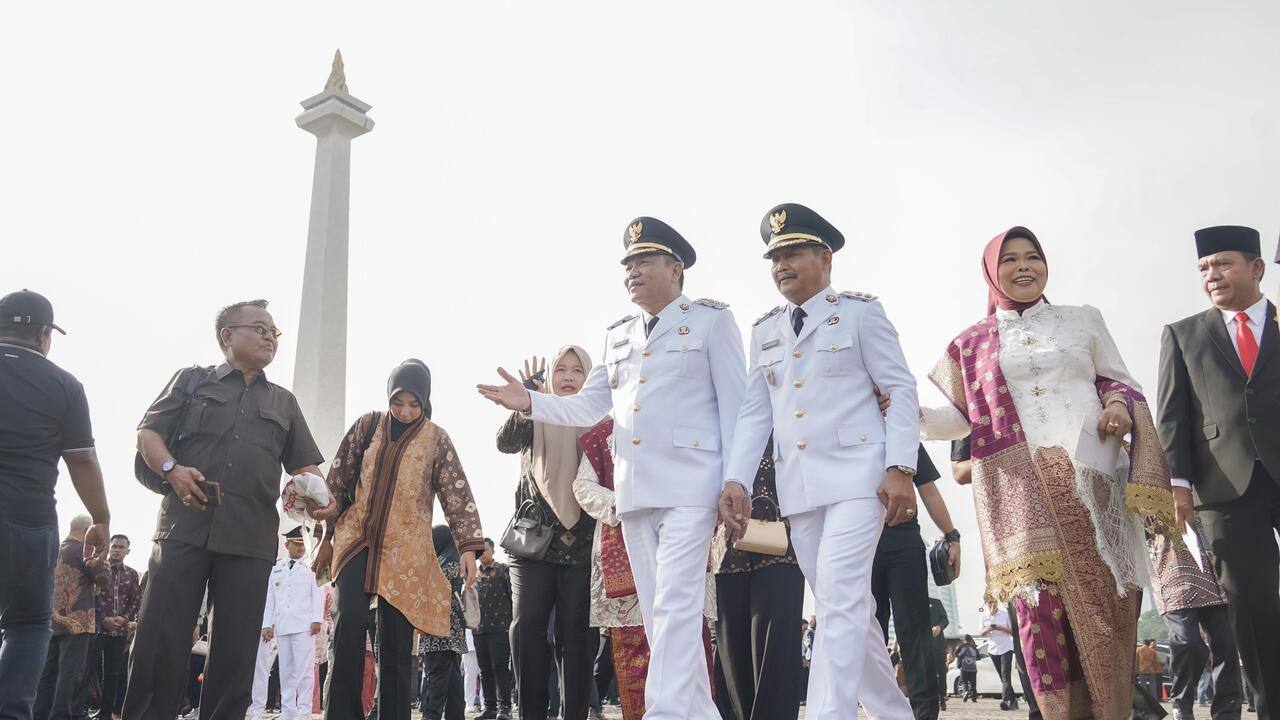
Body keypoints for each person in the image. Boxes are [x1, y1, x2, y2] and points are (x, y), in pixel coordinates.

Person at [479, 216, 747, 720]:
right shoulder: (617, 335)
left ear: (676, 269)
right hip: (635, 495)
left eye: (644, 261)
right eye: (627, 263)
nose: (632, 271)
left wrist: (736, 479)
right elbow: (587, 407)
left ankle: (663, 712)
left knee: (672, 605)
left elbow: (738, 407)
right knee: (659, 612)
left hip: (692, 489)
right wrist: (531, 401)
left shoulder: (712, 322)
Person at [920, 227, 1176, 720]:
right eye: (1009, 260)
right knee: (1039, 620)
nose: (1023, 267)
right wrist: (902, 412)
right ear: (992, 274)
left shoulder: (1084, 320)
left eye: (1032, 257)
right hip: (1019, 496)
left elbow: (1120, 382)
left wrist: (1119, 406)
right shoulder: (971, 343)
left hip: (1092, 487)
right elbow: (963, 418)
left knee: (1106, 611)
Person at [721, 203, 918, 719]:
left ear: (824, 258)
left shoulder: (859, 312)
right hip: (799, 488)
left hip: (859, 478)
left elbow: (899, 387)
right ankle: (896, 715)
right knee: (850, 607)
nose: (781, 264)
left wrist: (901, 466)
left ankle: (831, 713)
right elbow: (753, 412)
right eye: (774, 257)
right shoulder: (764, 329)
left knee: (838, 597)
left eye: (792, 253)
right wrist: (737, 479)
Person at [126, 299, 324, 720]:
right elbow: (148, 434)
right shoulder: (192, 381)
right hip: (183, 528)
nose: (270, 335)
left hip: (250, 539)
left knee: (235, 653)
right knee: (159, 640)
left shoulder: (284, 403)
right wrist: (172, 470)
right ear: (226, 336)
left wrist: (315, 494)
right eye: (259, 327)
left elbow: (307, 467)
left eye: (274, 330)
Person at [313, 359, 484, 720]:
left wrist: (469, 546)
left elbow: (457, 493)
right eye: (398, 402)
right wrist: (325, 526)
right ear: (388, 398)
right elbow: (338, 480)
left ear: (425, 402)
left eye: (414, 404)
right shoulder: (367, 425)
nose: (405, 411)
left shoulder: (437, 440)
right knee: (348, 629)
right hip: (355, 539)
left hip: (405, 552)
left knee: (395, 642)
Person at [1156, 225, 1279, 718]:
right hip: (1225, 487)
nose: (1213, 275)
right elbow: (1172, 416)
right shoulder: (1183, 334)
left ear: (1256, 268)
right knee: (1251, 606)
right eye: (1205, 268)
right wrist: (1178, 486)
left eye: (1223, 263)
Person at [0, 289, 110, 720]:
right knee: (27, 625)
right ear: (46, 335)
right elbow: (81, 458)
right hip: (29, 520)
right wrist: (100, 518)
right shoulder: (65, 384)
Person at [572, 416, 718, 720]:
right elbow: (583, 486)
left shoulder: (683, 416)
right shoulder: (603, 433)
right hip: (623, 548)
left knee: (688, 639)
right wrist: (622, 502)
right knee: (634, 651)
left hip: (681, 540)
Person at [492, 345, 598, 720]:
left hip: (584, 544)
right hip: (534, 543)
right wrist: (526, 402)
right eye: (561, 370)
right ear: (550, 377)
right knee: (526, 631)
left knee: (578, 637)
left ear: (589, 378)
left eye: (577, 371)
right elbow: (504, 443)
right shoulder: (535, 412)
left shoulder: (600, 417)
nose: (568, 377)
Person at [713, 435, 805, 720]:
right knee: (732, 641)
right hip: (726, 540)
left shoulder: (788, 395)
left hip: (780, 533)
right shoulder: (712, 400)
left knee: (777, 641)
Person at [871, 445, 962, 720]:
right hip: (860, 541)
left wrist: (952, 535)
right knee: (869, 631)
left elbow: (928, 489)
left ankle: (925, 713)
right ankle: (880, 710)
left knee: (915, 633)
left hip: (904, 541)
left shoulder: (902, 434)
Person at [954, 437, 1040, 720]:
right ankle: (1038, 709)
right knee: (1029, 630)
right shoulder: (973, 402)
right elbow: (960, 471)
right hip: (1015, 535)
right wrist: (1016, 457)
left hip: (1067, 512)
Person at [1147, 517, 1240, 720]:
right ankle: (1182, 705)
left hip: (1215, 573)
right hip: (1173, 572)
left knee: (1227, 643)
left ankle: (1228, 713)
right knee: (1187, 641)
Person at [33, 515, 110, 720]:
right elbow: (103, 578)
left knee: (47, 673)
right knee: (71, 673)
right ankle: (61, 716)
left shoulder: (57, 549)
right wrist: (104, 563)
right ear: (87, 531)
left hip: (52, 620)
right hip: (77, 621)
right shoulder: (83, 552)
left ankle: (39, 714)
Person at [249, 527, 324, 720]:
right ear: (286, 545)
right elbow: (271, 598)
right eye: (296, 544)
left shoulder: (311, 566)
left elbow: (318, 593)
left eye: (302, 545)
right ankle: (288, 710)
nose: (300, 549)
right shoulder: (277, 568)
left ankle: (304, 711)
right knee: (286, 670)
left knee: (304, 671)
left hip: (304, 625)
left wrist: (317, 619)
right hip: (283, 625)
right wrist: (268, 624)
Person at [88, 535, 140, 720]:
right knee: (88, 670)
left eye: (121, 547)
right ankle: (80, 710)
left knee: (112, 674)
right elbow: (90, 597)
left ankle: (105, 713)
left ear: (128, 551)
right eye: (114, 546)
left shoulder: (132, 574)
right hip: (97, 628)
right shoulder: (98, 570)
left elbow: (135, 601)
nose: (117, 549)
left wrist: (124, 619)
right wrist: (103, 619)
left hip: (119, 632)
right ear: (109, 548)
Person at [420, 526, 469, 720]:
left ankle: (431, 716)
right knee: (453, 680)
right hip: (453, 631)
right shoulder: (455, 559)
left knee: (437, 678)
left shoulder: (441, 564)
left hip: (438, 630)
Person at [472, 539, 513, 719]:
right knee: (484, 670)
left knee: (501, 668)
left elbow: (513, 598)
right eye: (479, 552)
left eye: (485, 550)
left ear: (493, 551)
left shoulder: (504, 571)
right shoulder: (472, 574)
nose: (482, 554)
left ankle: (505, 707)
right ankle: (489, 707)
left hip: (500, 628)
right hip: (479, 629)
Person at [977, 601, 1018, 711]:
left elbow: (1013, 631)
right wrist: (988, 629)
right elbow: (981, 633)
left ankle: (1005, 700)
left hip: (1006, 647)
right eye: (990, 604)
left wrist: (1001, 628)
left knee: (1005, 676)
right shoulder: (984, 616)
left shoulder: (1005, 614)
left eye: (994, 603)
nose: (992, 606)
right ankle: (1014, 701)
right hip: (993, 649)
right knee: (1002, 677)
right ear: (986, 604)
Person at [956, 636, 979, 702]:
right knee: (973, 683)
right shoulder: (974, 647)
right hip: (973, 667)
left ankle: (966, 691)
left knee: (964, 681)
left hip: (964, 667)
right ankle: (974, 697)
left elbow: (956, 654)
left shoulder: (961, 646)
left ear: (964, 640)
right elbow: (978, 656)